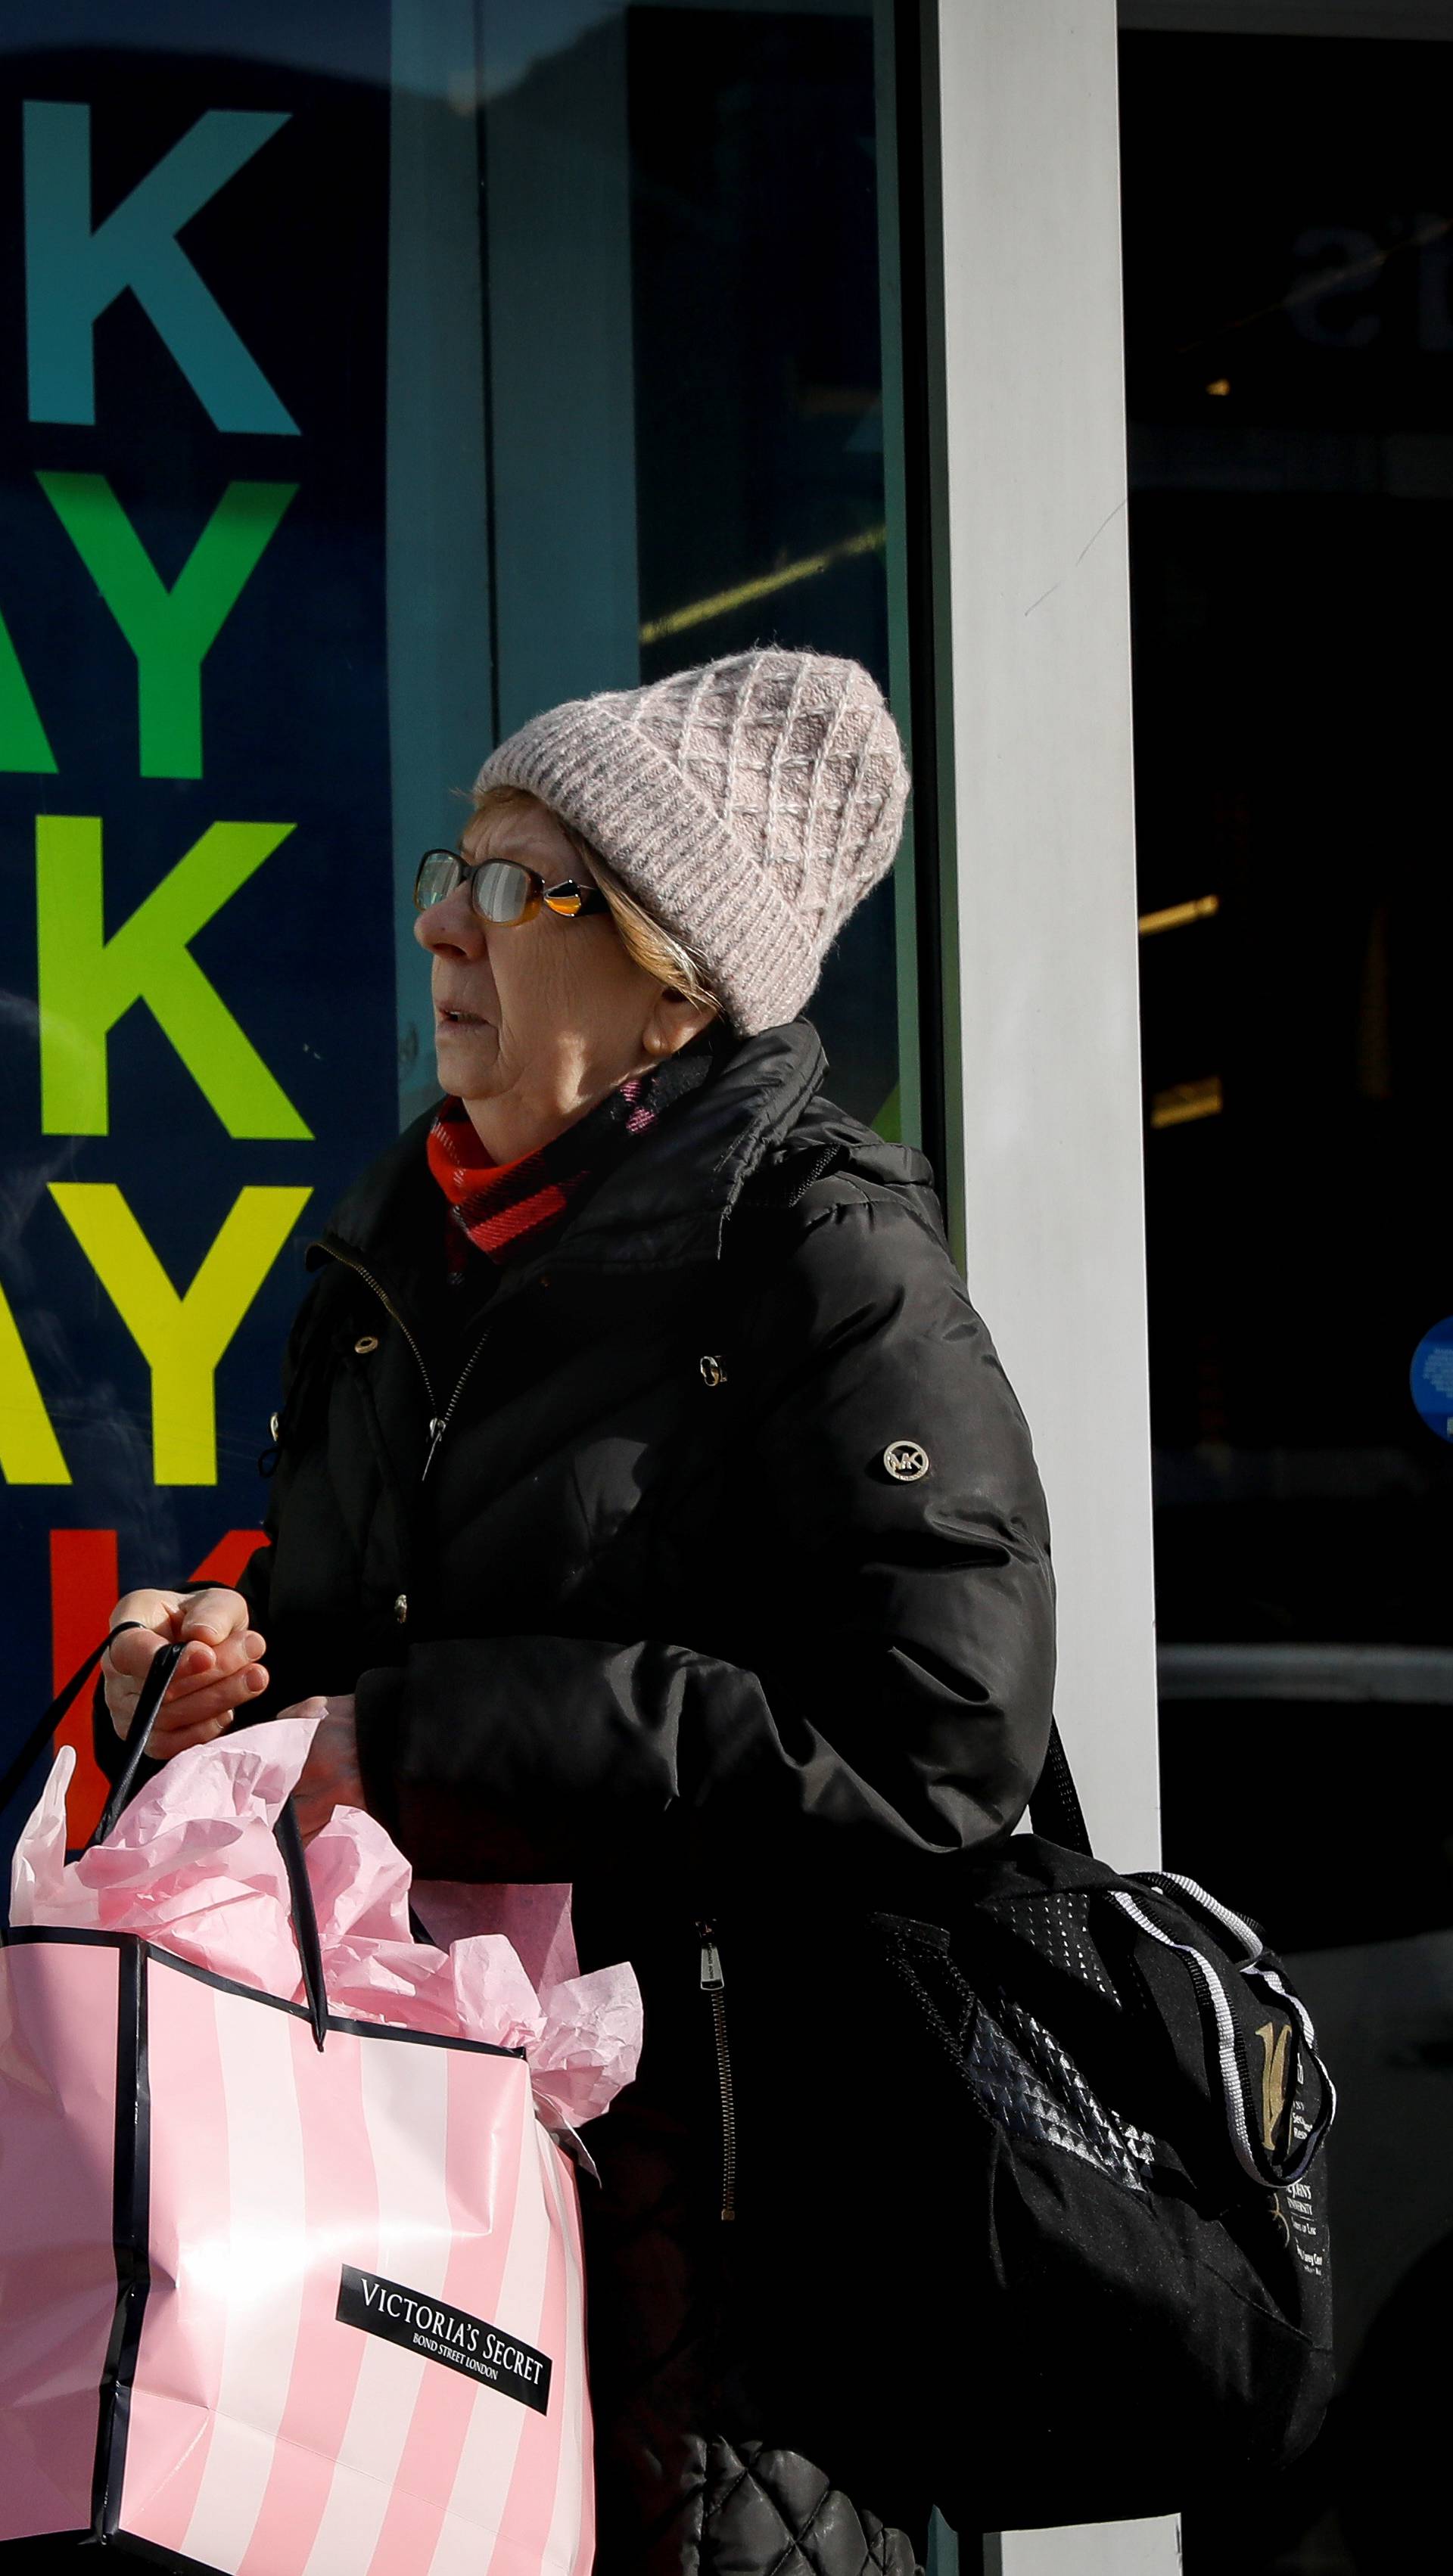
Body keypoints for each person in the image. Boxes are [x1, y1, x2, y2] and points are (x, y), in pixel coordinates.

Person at [99, 648, 1056, 2576]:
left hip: (704, 2257)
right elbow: (357, 1614)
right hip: (377, 2176)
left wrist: (427, 1742)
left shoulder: (819, 1256)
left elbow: (940, 1738)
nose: (448, 920)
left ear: (668, 972)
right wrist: (222, 1649)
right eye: (456, 865)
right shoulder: (404, 1242)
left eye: (521, 883)